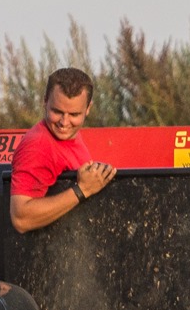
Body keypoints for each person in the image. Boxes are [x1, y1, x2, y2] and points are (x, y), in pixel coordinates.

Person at [7, 68, 118, 234]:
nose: (64, 123)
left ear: (88, 108)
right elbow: (21, 218)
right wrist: (82, 190)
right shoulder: (38, 146)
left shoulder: (71, 137)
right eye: (57, 112)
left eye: (74, 114)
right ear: (45, 101)